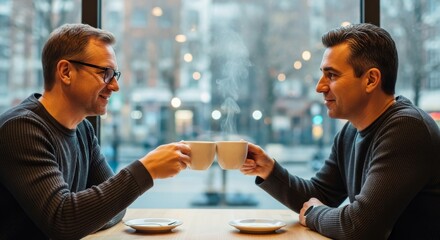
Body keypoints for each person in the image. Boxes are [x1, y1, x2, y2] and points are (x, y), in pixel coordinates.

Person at [240, 23, 440, 239]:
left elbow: (360, 226)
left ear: (371, 80)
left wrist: (315, 213)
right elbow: (319, 195)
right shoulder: (351, 132)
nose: (320, 87)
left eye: (332, 75)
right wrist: (269, 170)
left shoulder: (407, 130)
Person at [0, 23, 191, 239]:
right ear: (66, 72)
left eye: (115, 74)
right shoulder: (20, 129)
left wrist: (85, 214)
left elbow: (115, 209)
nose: (115, 86)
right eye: (106, 73)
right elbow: (63, 221)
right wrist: (146, 170)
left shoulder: (82, 129)